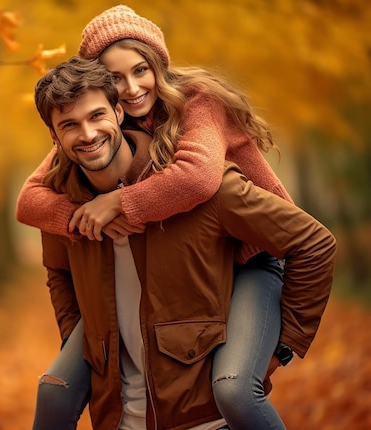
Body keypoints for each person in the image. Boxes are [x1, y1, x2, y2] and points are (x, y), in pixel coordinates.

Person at [17, 5, 305, 429]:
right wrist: (81, 214)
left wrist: (119, 204)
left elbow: (199, 178)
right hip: (201, 264)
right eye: (115, 78)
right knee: (55, 391)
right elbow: (29, 199)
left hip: (255, 254)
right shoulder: (97, 124)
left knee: (236, 390)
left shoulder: (196, 102)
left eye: (141, 70)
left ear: (158, 65)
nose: (132, 88)